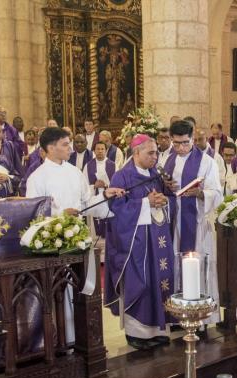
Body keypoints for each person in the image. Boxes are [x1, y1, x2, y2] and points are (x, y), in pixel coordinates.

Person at [26, 127, 124, 345]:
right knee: (58, 296)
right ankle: (56, 340)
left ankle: (78, 338)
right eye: (64, 144)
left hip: (77, 240)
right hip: (53, 246)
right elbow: (33, 214)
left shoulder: (75, 172)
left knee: (78, 292)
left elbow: (86, 204)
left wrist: (105, 196)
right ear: (50, 148)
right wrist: (61, 214)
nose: (70, 147)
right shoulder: (37, 177)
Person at [105, 134, 175, 350]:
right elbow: (116, 210)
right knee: (142, 283)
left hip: (158, 241)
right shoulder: (122, 177)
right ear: (136, 153)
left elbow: (166, 200)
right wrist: (146, 203)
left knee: (160, 282)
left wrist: (165, 201)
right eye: (150, 153)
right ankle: (137, 333)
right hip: (136, 244)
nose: (155, 157)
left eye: (156, 152)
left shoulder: (155, 175)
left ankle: (158, 329)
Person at [163, 120, 223, 325]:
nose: (181, 148)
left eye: (186, 143)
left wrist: (200, 193)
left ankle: (200, 317)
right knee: (174, 264)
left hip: (196, 223)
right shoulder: (167, 158)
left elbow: (217, 193)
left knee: (196, 264)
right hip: (173, 222)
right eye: (176, 143)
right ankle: (176, 315)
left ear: (193, 138)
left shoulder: (207, 162)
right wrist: (166, 186)